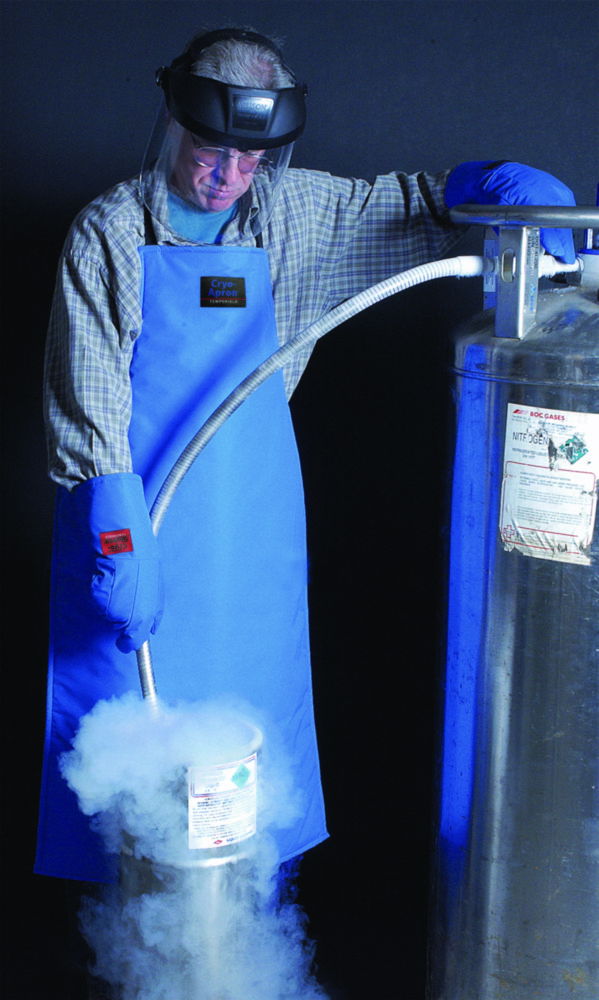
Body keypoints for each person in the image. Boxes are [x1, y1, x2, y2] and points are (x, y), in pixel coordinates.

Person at [36, 27, 576, 890]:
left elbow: (411, 206)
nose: (227, 177)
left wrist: (485, 187)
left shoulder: (296, 216)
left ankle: (240, 923)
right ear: (173, 123)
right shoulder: (107, 234)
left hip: (247, 535)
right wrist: (117, 538)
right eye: (210, 151)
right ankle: (133, 923)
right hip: (137, 535)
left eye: (250, 159)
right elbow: (88, 399)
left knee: (244, 753)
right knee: (130, 764)